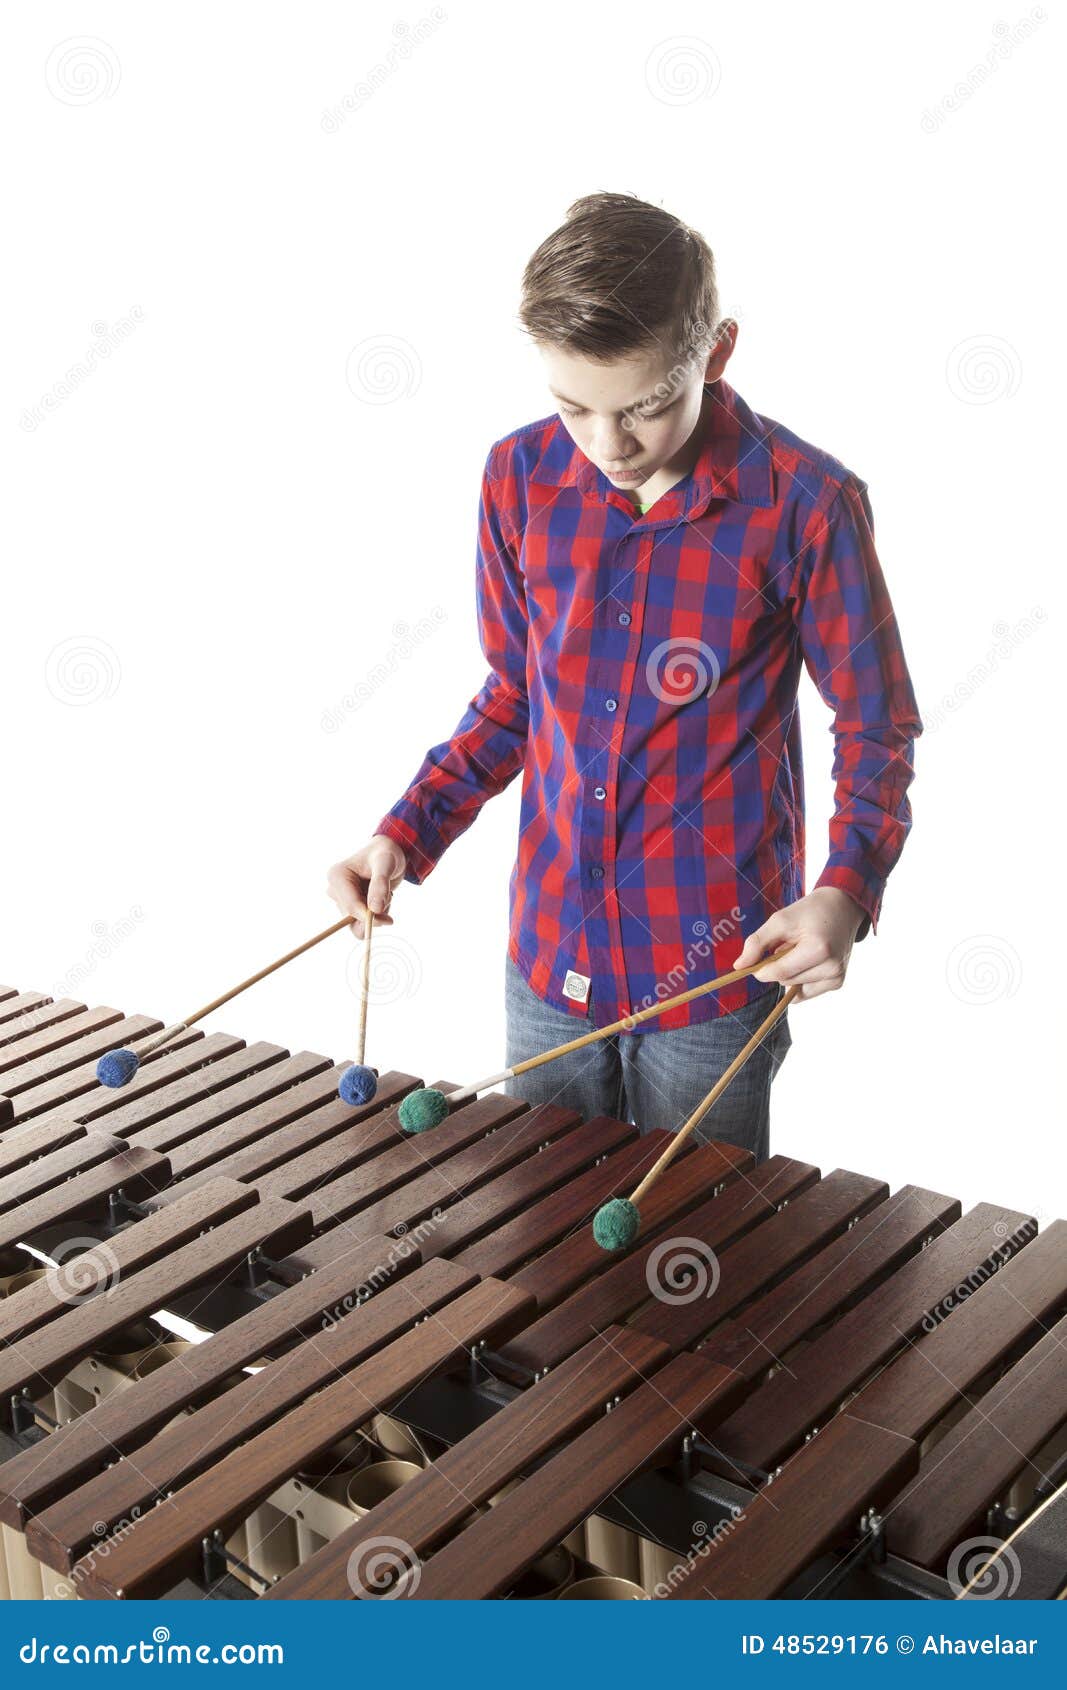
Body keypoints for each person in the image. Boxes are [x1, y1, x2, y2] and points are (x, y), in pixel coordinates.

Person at [327, 193, 922, 1162]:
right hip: (549, 962)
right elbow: (517, 693)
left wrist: (844, 891)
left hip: (715, 977)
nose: (607, 445)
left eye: (644, 405)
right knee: (540, 1254)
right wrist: (407, 827)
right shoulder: (516, 478)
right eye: (573, 409)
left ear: (714, 353)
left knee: (704, 1264)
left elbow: (874, 724)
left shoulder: (807, 505)